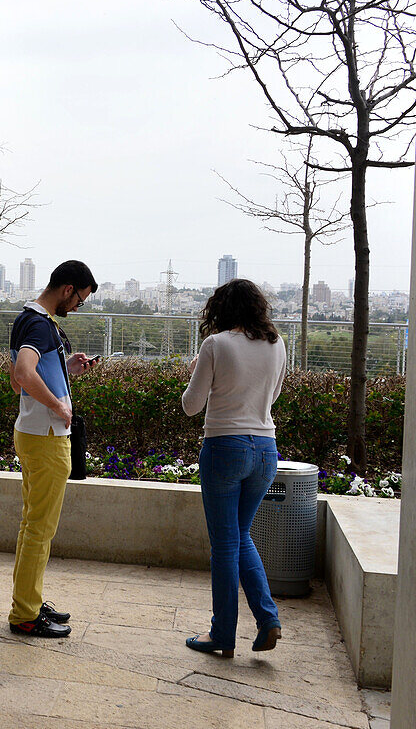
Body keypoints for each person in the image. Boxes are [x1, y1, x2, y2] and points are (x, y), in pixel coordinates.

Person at [181, 278, 287, 658]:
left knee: (225, 544)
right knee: (241, 536)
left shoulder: (216, 344)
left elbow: (191, 406)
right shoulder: (277, 344)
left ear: (221, 309)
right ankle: (267, 618)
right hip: (265, 449)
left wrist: (197, 370)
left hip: (225, 446)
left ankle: (222, 634)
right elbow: (271, 396)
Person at [7, 260, 98, 637]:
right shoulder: (40, 324)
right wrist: (58, 406)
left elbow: (20, 380)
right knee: (40, 530)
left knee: (32, 526)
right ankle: (25, 614)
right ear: (67, 289)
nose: (79, 306)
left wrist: (67, 367)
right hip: (46, 438)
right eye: (80, 299)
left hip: (31, 433)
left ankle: (28, 600)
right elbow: (23, 376)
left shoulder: (29, 319)